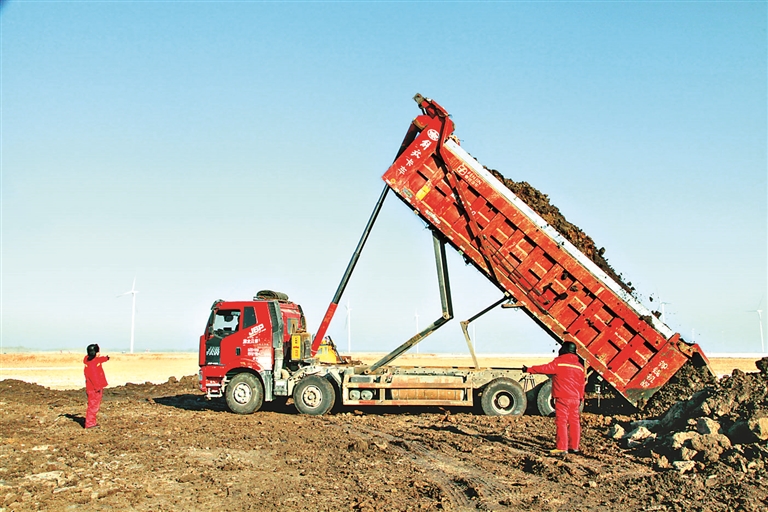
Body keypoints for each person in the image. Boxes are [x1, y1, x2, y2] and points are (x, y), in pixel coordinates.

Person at [523, 341, 585, 455]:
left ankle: (562, 448)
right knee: (574, 422)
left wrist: (529, 369)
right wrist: (581, 397)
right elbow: (581, 384)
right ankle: (574, 447)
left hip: (563, 397)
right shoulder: (580, 367)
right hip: (575, 399)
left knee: (561, 422)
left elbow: (545, 368)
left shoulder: (559, 363)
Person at [83, 344, 109, 429]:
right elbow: (94, 377)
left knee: (94, 405)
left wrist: (106, 358)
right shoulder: (93, 364)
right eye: (98, 352)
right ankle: (90, 424)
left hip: (93, 388)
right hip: (94, 389)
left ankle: (91, 422)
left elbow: (99, 360)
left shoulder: (91, 360)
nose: (99, 354)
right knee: (93, 406)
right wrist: (98, 387)